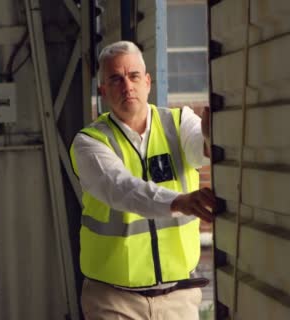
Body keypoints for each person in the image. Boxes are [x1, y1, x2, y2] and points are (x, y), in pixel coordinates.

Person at [69, 40, 218, 320]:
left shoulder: (179, 122)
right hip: (114, 300)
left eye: (134, 76)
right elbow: (121, 188)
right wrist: (179, 202)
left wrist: (211, 139)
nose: (127, 86)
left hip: (179, 298)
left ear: (148, 82)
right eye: (115, 79)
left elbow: (201, 149)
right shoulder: (89, 142)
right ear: (103, 91)